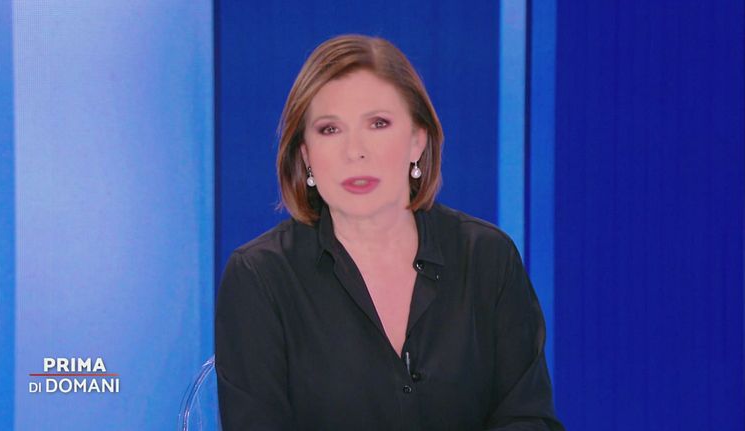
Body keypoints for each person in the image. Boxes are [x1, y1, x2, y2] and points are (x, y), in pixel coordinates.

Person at [215, 34, 565, 430]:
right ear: (306, 155)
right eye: (330, 129)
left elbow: (527, 418)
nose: (355, 151)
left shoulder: (487, 257)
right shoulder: (260, 277)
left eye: (378, 123)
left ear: (418, 140)